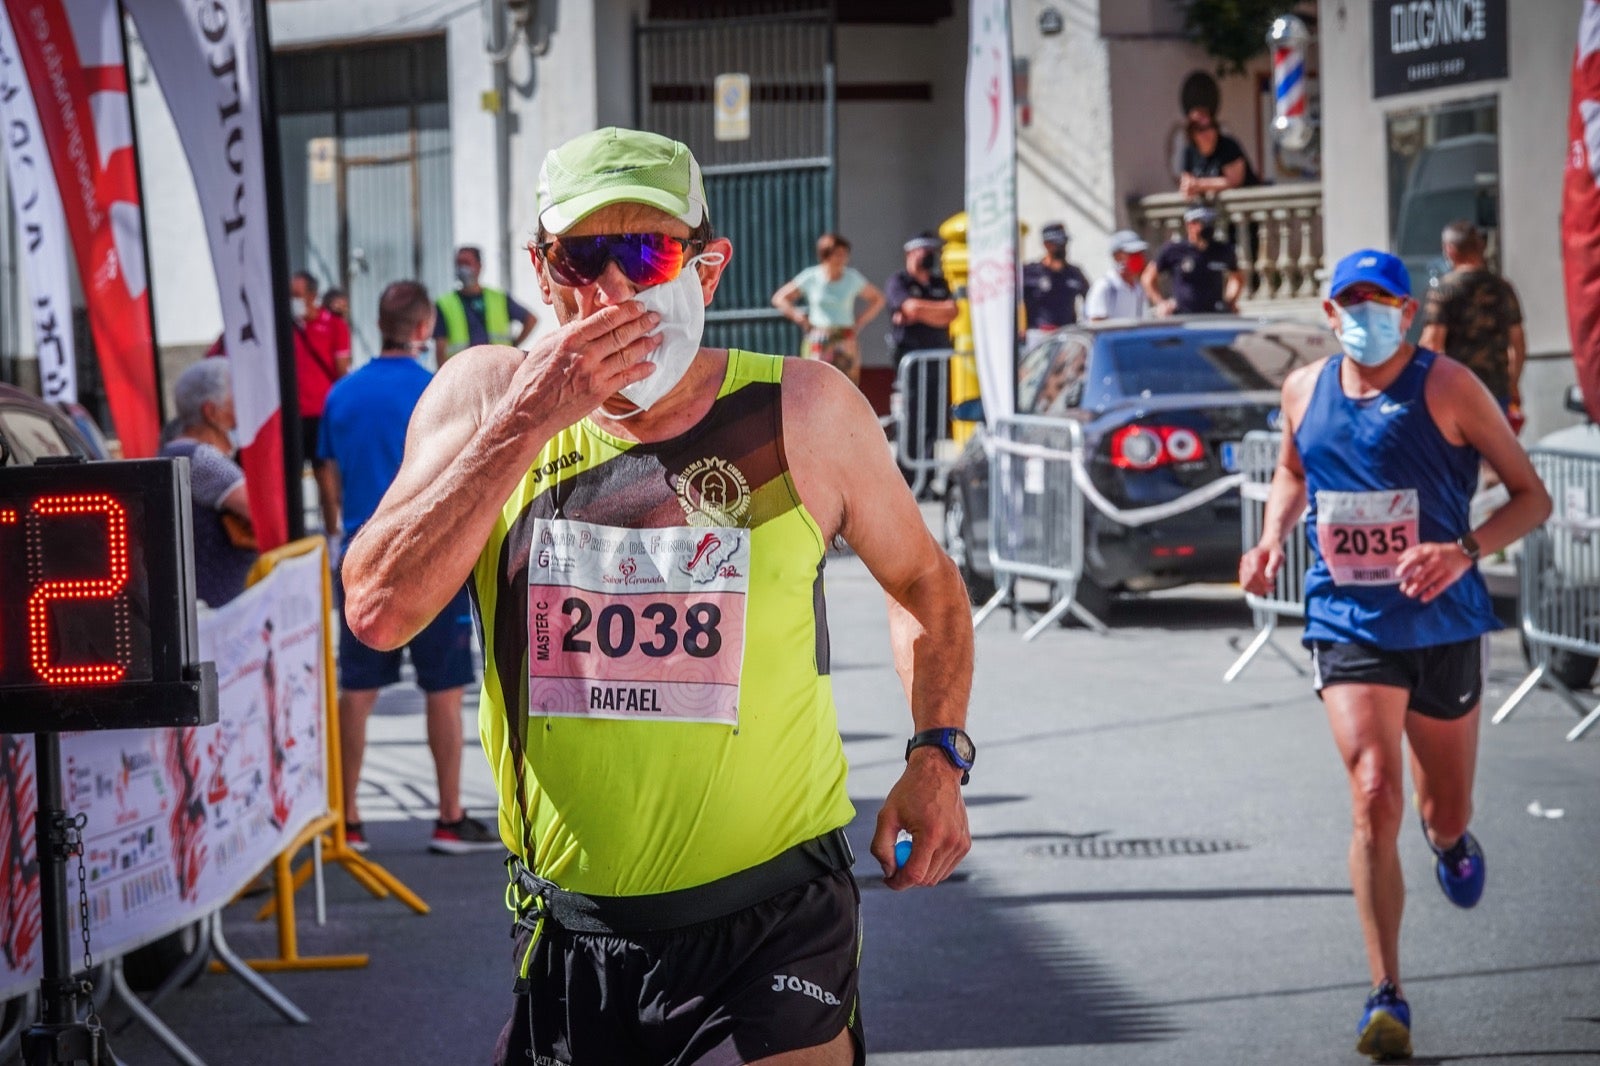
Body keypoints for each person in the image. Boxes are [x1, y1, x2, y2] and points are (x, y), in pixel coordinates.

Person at [341, 126, 974, 1066]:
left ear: (707, 272)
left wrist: (936, 755)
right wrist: (529, 418)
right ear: (541, 270)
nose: (612, 291)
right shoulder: (483, 396)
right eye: (581, 257)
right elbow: (380, 609)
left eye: (647, 253)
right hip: (577, 926)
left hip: (775, 910)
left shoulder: (804, 409)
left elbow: (925, 580)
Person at [1239, 249, 1550, 1062]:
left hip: (1442, 625)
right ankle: (1387, 995)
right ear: (1327, 310)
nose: (1362, 315)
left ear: (1408, 313)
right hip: (1347, 620)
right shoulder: (1304, 389)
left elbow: (1531, 495)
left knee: (1441, 810)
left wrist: (1462, 549)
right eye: (1349, 302)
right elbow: (1289, 469)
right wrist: (1272, 537)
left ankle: (1450, 842)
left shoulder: (1447, 386)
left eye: (1379, 302)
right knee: (1373, 790)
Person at [318, 280, 500, 857]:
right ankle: (449, 817)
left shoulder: (340, 395)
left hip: (360, 559)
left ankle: (349, 821)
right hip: (430, 560)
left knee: (358, 692)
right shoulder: (438, 392)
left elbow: (326, 473)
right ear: (425, 329)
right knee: (443, 690)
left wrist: (337, 527)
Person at [159, 360, 255, 607]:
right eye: (234, 400)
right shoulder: (202, 459)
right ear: (211, 411)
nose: (240, 411)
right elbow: (261, 513)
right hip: (216, 609)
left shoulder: (173, 450)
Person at [1418, 220, 1527, 432]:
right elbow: (1518, 343)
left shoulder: (1444, 291)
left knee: (1459, 460)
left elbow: (1432, 343)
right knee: (1495, 458)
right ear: (1480, 247)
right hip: (1497, 390)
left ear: (1449, 250)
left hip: (1457, 392)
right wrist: (1512, 382)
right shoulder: (1504, 288)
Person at [886, 232, 959, 488]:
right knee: (911, 418)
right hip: (910, 360)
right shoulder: (899, 281)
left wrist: (920, 311)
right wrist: (923, 310)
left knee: (933, 418)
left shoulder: (940, 283)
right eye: (923, 251)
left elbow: (952, 312)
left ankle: (926, 479)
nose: (929, 256)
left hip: (937, 358)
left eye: (932, 251)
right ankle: (906, 479)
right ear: (910, 253)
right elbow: (909, 308)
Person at [771, 232, 886, 387]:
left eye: (845, 254)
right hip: (819, 336)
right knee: (816, 384)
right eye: (837, 254)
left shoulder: (852, 278)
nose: (842, 259)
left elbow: (877, 298)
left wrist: (860, 321)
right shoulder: (811, 277)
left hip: (845, 337)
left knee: (847, 386)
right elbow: (780, 298)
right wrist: (798, 317)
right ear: (826, 255)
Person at [290, 269, 351, 538]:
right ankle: (294, 537)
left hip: (321, 415)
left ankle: (332, 537)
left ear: (313, 296)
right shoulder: (286, 326)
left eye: (297, 295)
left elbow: (341, 372)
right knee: (288, 482)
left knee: (325, 478)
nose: (292, 300)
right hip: (291, 417)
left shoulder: (334, 325)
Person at [433, 245, 537, 364]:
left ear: (479, 266)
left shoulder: (499, 298)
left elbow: (530, 319)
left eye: (466, 263)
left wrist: (513, 346)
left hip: (498, 367)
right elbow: (440, 350)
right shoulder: (445, 304)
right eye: (459, 263)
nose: (462, 268)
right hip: (464, 372)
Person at [1143, 205, 1245, 316]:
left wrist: (1231, 301)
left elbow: (1237, 277)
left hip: (1215, 315)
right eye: (1203, 222)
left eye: (1210, 222)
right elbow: (1148, 277)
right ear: (1189, 225)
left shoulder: (1223, 250)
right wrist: (1161, 303)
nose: (1208, 227)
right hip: (1183, 315)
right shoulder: (1174, 250)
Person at [1022, 221, 1090, 348]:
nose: (1063, 247)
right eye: (1058, 244)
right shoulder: (1030, 272)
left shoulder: (1074, 273)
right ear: (1046, 245)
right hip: (1039, 337)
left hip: (1068, 336)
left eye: (1064, 243)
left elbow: (1091, 299)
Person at [1178, 106, 1260, 200]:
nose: (1207, 132)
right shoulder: (1189, 151)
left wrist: (1199, 184)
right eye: (1200, 129)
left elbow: (1234, 181)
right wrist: (1189, 186)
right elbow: (1186, 181)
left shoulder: (1228, 146)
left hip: (1245, 204)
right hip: (1209, 210)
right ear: (1192, 134)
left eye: (1210, 126)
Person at [1085, 230, 1150, 322]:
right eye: (1131, 254)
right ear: (1116, 256)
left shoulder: (1138, 288)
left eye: (1139, 253)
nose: (1137, 258)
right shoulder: (1105, 287)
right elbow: (1096, 325)